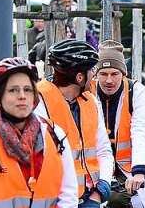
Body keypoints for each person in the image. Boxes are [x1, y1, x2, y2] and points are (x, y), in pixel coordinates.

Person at [0, 58, 78, 208]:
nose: (22, 96)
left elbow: (68, 195)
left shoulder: (54, 133)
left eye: (27, 89)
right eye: (13, 90)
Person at [36, 39, 114, 208]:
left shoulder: (91, 101)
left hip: (90, 198)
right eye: (91, 71)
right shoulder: (39, 103)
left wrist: (100, 191)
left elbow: (103, 150)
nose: (94, 76)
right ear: (80, 77)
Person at [92, 41, 145, 208]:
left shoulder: (136, 92)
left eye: (114, 74)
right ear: (95, 74)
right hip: (97, 167)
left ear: (123, 73)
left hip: (131, 168)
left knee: (119, 201)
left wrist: (139, 171)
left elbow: (141, 132)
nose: (109, 80)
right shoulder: (88, 92)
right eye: (103, 74)